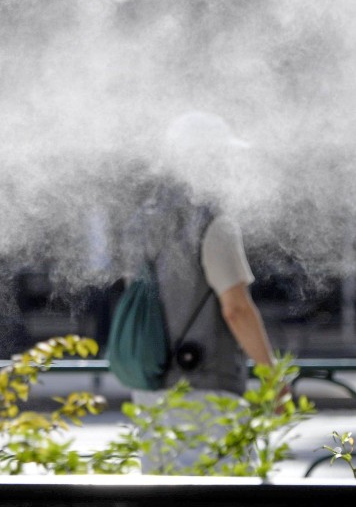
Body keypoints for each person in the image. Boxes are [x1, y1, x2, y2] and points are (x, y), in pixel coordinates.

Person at [122, 110, 285, 473]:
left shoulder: (141, 221)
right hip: (206, 388)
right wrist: (273, 378)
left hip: (151, 388)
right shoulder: (214, 223)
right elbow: (236, 309)